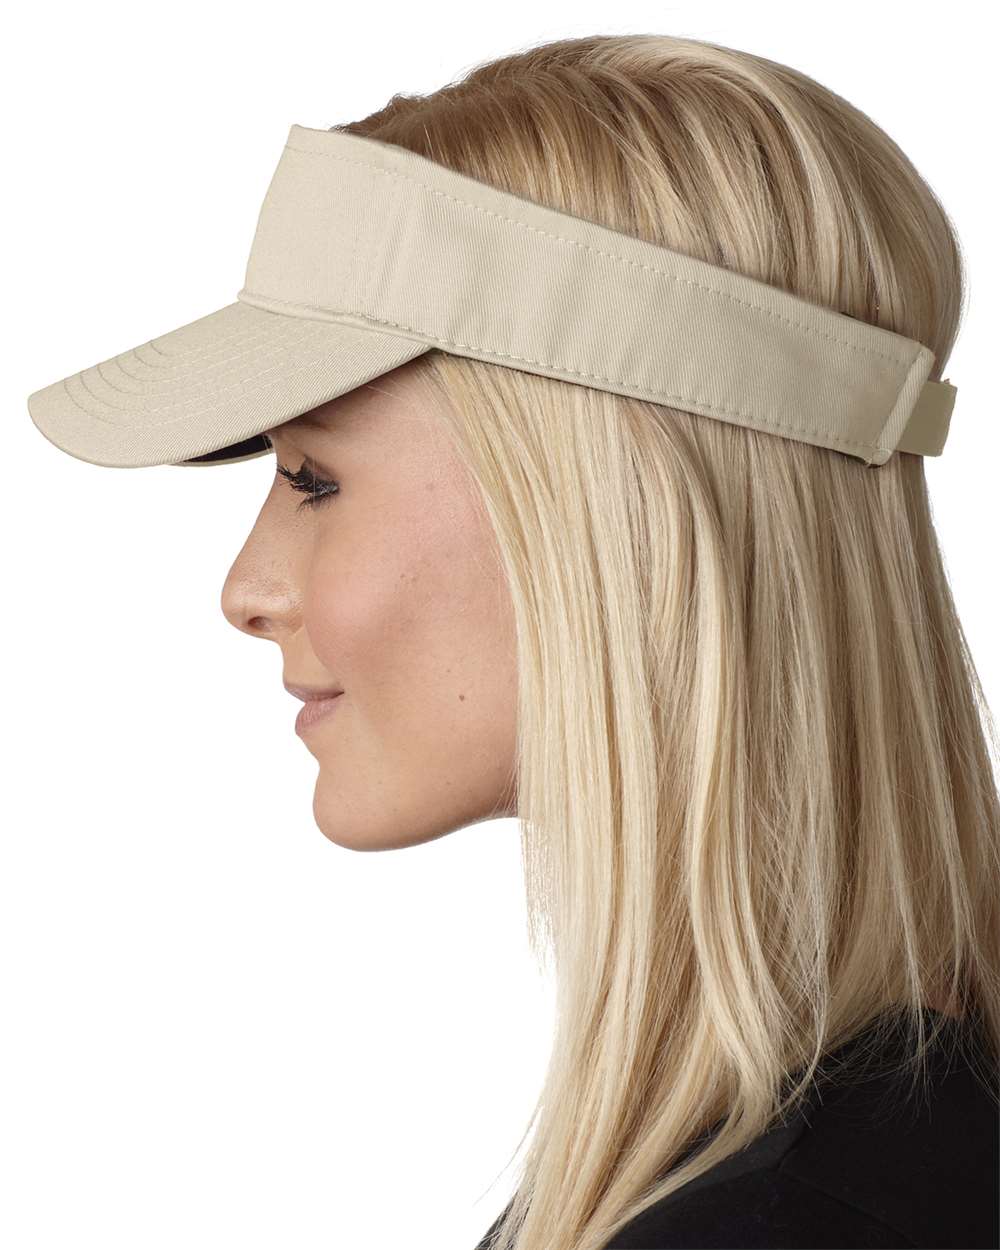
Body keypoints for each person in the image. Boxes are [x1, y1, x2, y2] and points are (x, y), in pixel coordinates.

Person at [26, 31, 999, 1250]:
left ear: (612, 505)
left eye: (315, 478)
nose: (246, 589)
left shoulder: (779, 1220)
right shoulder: (860, 1163)